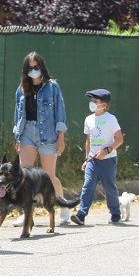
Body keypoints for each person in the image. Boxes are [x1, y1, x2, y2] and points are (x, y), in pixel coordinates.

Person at [12, 51, 70, 226]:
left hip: (48, 134)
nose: (33, 70)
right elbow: (17, 115)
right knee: (25, 175)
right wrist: (17, 137)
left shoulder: (53, 87)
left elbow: (60, 112)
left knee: (49, 176)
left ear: (42, 67)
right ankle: (26, 213)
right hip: (27, 133)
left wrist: (61, 137)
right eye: (29, 68)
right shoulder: (21, 88)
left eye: (36, 67)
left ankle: (63, 206)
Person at [70, 89, 125, 225]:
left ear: (104, 105)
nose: (92, 103)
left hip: (108, 160)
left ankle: (115, 213)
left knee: (109, 187)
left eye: (96, 101)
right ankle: (81, 215)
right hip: (93, 161)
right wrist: (87, 159)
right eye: (91, 101)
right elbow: (88, 141)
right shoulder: (88, 119)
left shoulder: (111, 119)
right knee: (88, 186)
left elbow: (119, 139)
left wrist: (107, 151)